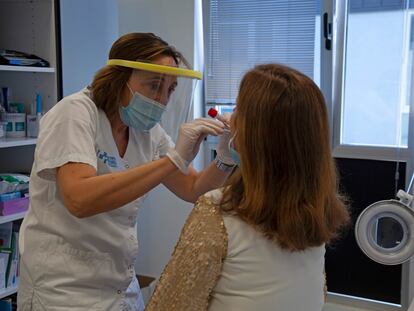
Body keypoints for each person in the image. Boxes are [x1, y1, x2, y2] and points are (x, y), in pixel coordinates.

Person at [17, 33, 237, 310]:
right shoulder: (74, 113)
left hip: (120, 284)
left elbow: (193, 188)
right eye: (155, 85)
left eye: (170, 89)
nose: (162, 100)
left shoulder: (146, 131)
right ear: (120, 78)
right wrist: (173, 159)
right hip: (64, 287)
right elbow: (79, 199)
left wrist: (225, 160)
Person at [145, 64, 350, 311]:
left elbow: (171, 304)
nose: (231, 117)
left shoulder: (217, 212)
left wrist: (181, 158)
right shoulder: (317, 210)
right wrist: (223, 160)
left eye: (239, 109)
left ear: (254, 135)